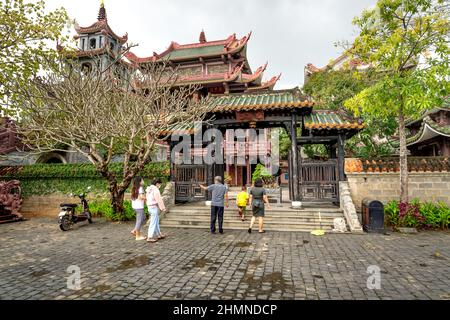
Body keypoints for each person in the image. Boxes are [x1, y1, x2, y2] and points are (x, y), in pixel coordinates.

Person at [146, 178, 167, 243]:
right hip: (154, 207)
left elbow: (147, 198)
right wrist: (163, 208)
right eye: (160, 184)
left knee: (156, 221)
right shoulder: (156, 190)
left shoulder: (149, 189)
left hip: (150, 207)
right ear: (157, 183)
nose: (160, 185)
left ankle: (159, 234)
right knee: (153, 222)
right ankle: (149, 237)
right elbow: (159, 200)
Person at [130, 176, 147, 241]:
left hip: (135, 206)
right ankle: (137, 236)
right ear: (139, 182)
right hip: (139, 207)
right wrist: (148, 198)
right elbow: (141, 197)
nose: (143, 181)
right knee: (139, 221)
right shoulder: (140, 188)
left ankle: (135, 230)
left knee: (143, 218)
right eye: (142, 180)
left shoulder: (134, 188)